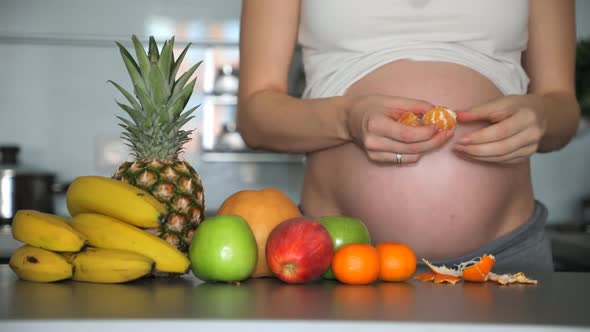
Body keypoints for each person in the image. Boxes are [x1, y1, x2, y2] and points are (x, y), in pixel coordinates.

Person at [237, 0, 580, 272]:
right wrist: (347, 120)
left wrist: (542, 117)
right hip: (337, 255)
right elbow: (255, 116)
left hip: (504, 256)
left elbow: (562, 106)